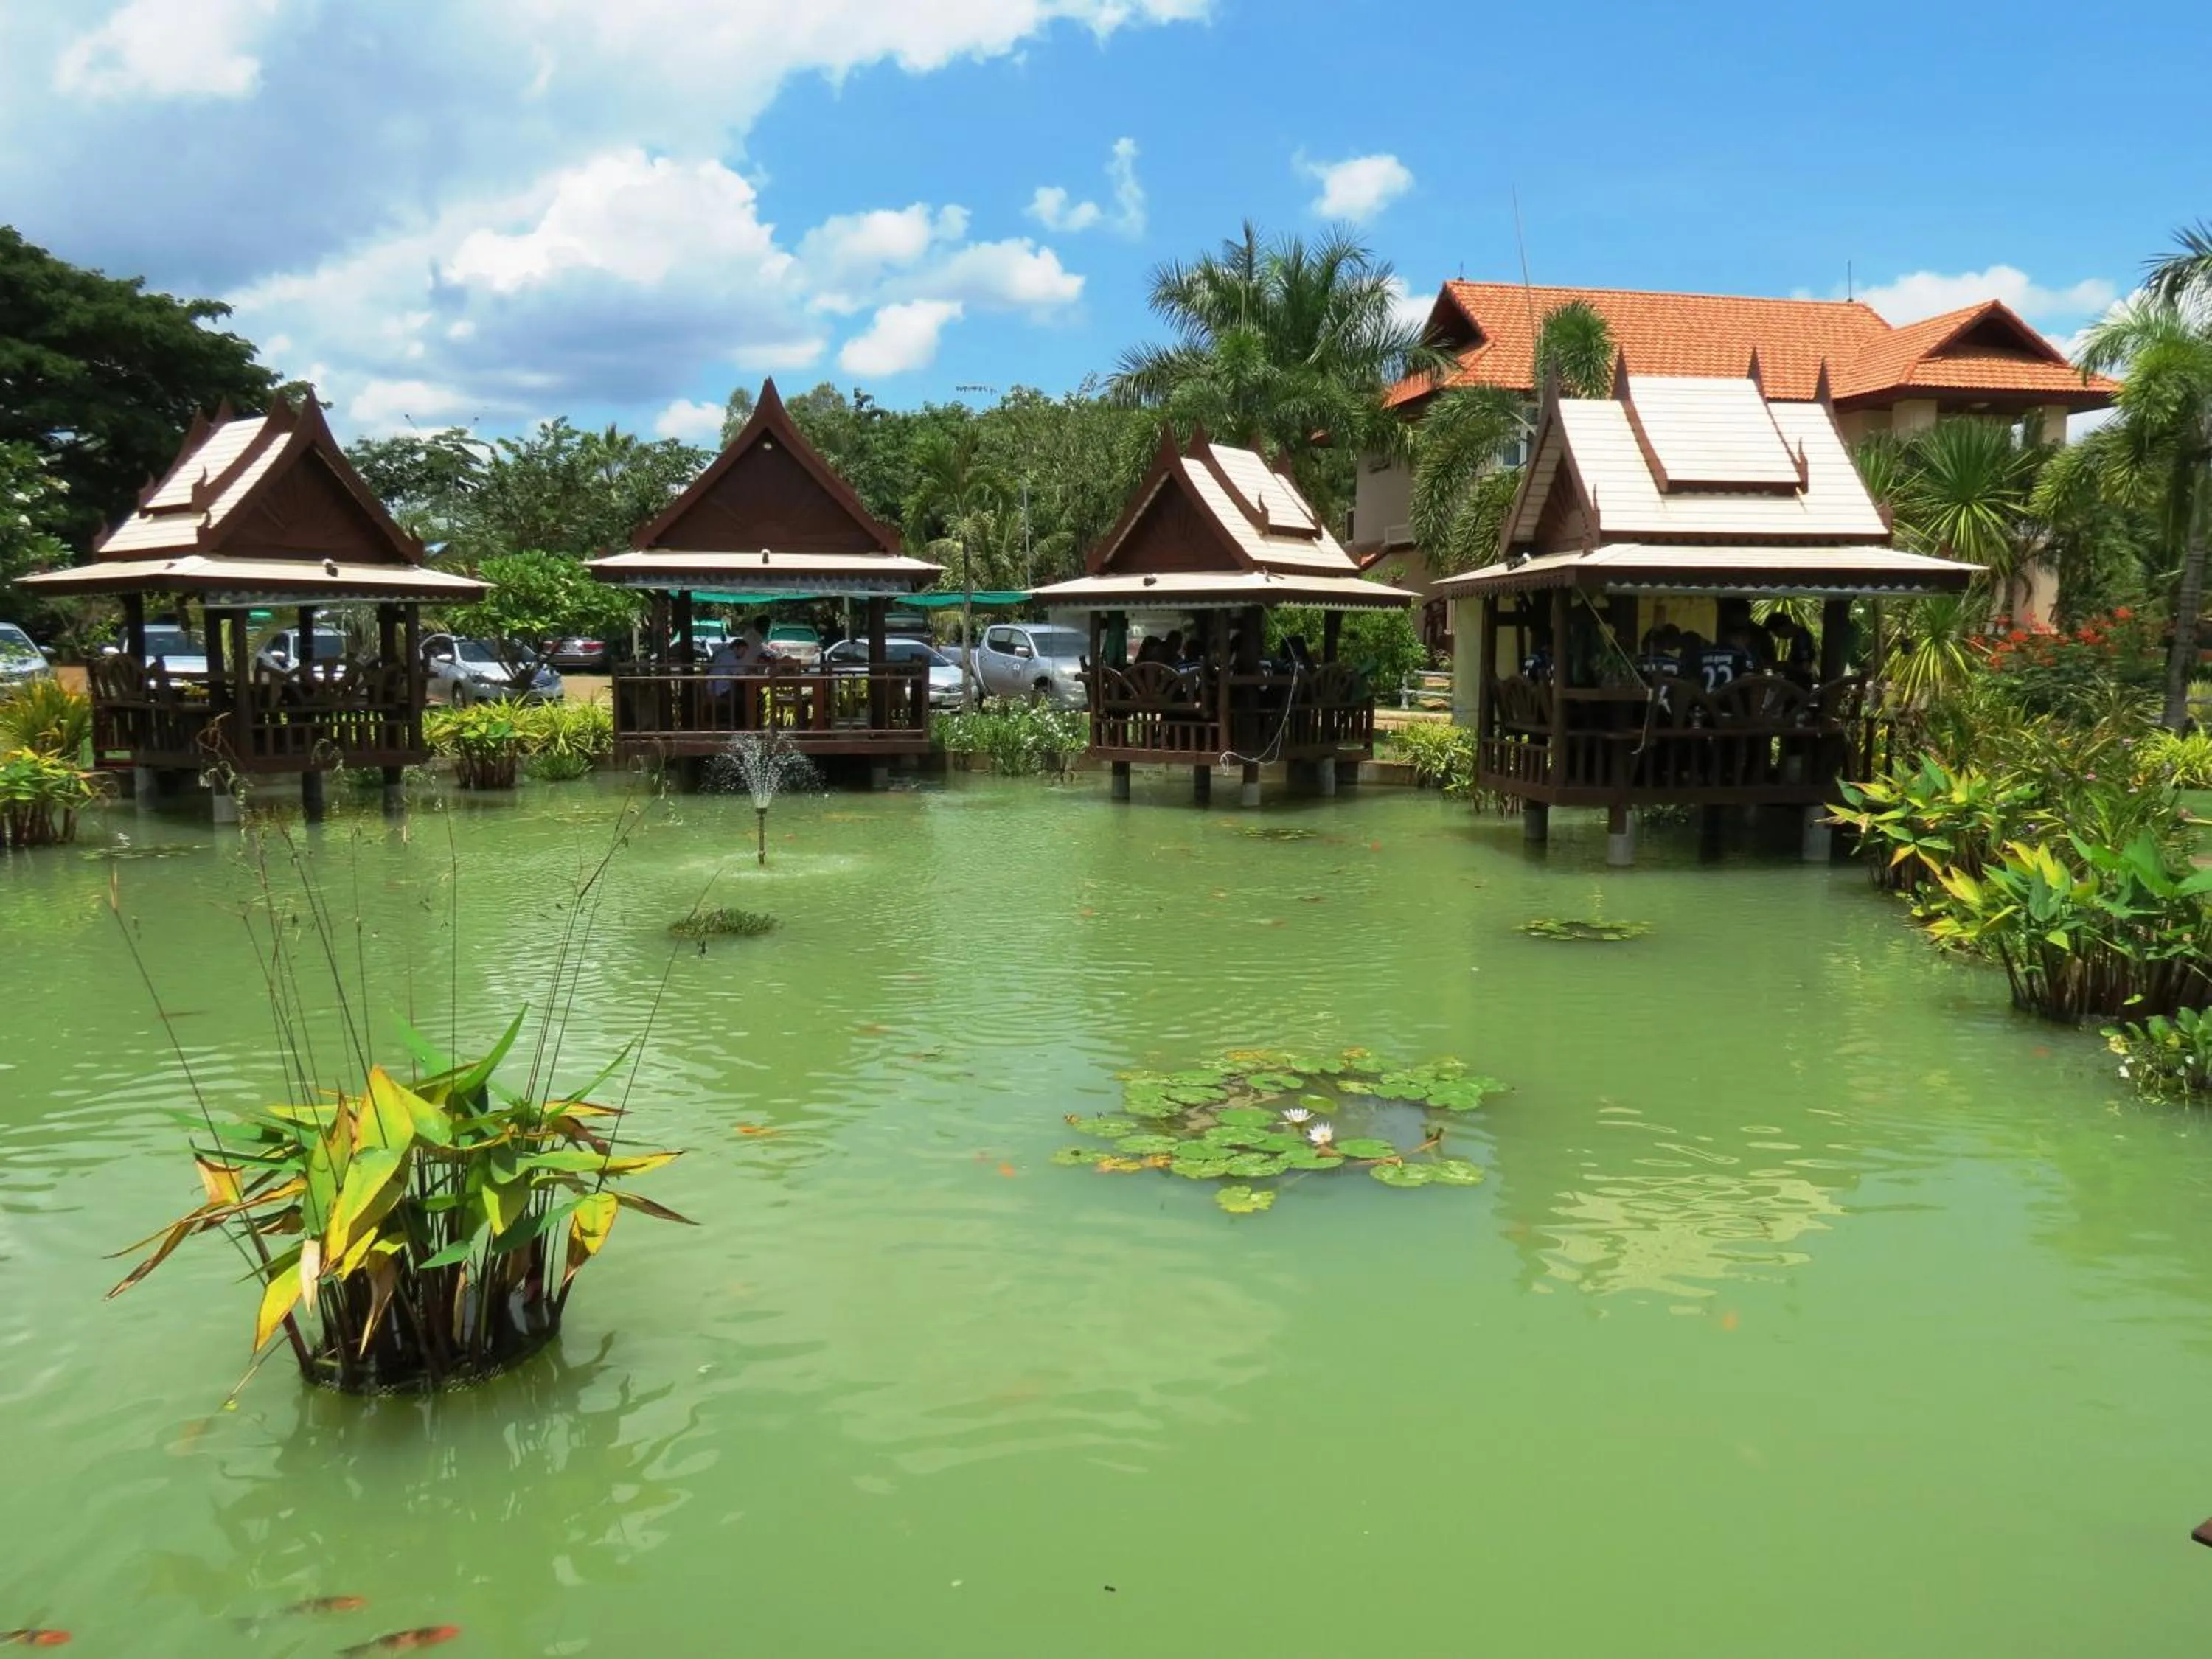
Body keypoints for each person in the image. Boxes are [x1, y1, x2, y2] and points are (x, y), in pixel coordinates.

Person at [1764, 612, 1817, 684]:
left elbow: (1806, 668)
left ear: (1783, 627)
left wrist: (1783, 666)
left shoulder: (1803, 639)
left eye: (1776, 632)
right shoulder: (1798, 638)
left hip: (1800, 684)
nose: (1777, 636)